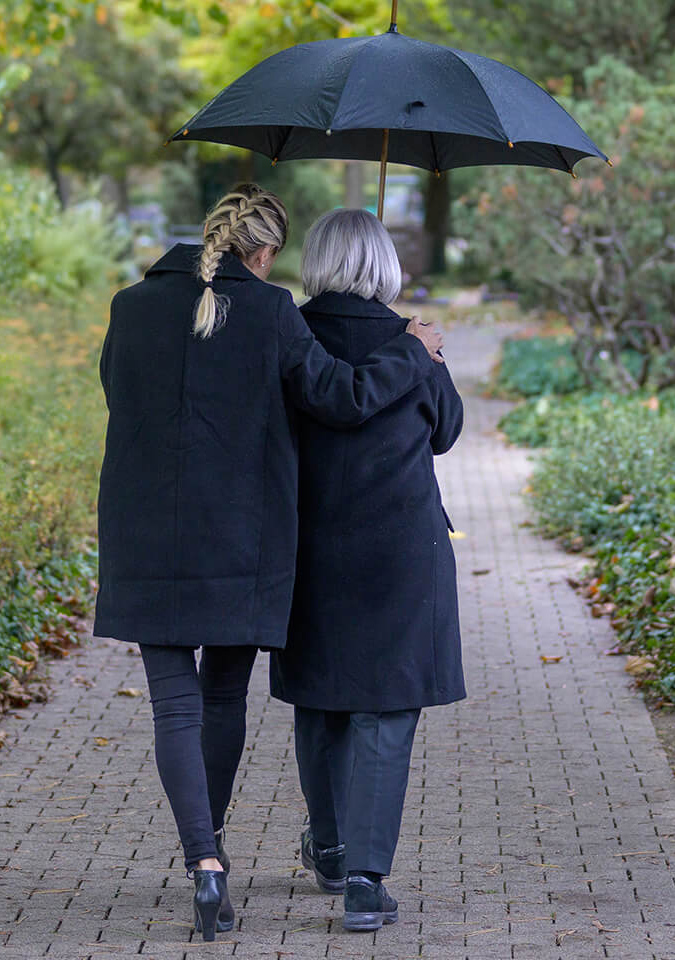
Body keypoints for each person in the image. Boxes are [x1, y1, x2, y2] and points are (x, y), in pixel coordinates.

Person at [95, 186, 445, 942]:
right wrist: (411, 349)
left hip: (146, 533)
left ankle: (206, 862)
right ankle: (244, 855)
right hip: (240, 540)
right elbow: (342, 399)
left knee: (174, 707)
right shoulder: (270, 312)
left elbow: (115, 394)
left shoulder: (130, 307)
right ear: (263, 254)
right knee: (222, 699)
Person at [271, 208, 467, 933]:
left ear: (318, 262)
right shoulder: (410, 341)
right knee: (385, 710)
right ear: (382, 265)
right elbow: (445, 433)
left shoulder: (290, 335)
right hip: (400, 553)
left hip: (310, 547)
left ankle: (328, 846)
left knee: (320, 698)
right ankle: (363, 878)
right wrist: (426, 354)